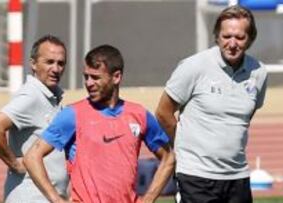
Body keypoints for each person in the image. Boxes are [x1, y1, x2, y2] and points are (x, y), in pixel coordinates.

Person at [24, 44, 175, 203]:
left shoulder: (139, 115)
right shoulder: (72, 114)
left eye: (95, 77)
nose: (88, 83)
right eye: (86, 77)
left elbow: (168, 157)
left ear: (116, 77)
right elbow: (32, 157)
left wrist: (149, 198)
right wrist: (56, 199)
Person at [155, 5, 268, 203]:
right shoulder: (193, 66)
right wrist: (183, 144)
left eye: (240, 37)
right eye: (226, 36)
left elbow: (244, 118)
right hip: (196, 177)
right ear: (217, 36)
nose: (232, 43)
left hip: (237, 177)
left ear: (250, 39)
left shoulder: (259, 73)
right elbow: (163, 112)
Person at [0, 35, 69, 202]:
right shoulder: (31, 95)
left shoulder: (51, 96)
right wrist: (15, 164)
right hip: (31, 195)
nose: (56, 68)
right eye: (49, 62)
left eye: (61, 63)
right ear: (33, 64)